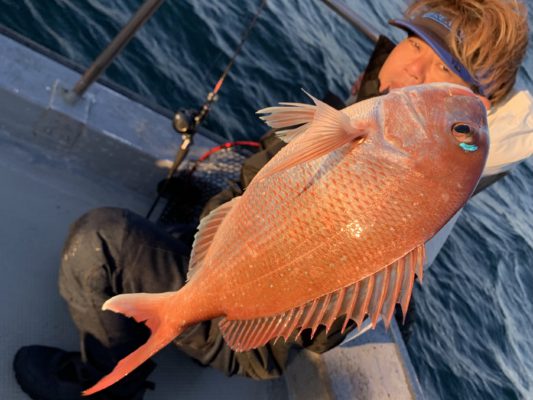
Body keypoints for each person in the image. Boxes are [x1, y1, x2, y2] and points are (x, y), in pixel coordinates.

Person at [13, 0, 531, 399]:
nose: (415, 70)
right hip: (244, 269)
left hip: (257, 327)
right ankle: (173, 313)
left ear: (475, 100)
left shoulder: (421, 195)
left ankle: (110, 384)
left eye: (445, 71)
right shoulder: (375, 118)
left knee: (101, 240)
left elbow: (332, 320)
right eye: (415, 43)